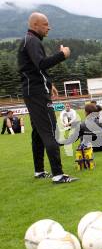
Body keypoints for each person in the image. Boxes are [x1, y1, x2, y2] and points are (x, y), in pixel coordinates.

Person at [18, 12, 77, 183]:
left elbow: (35, 69)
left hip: (33, 92)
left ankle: (39, 171)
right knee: (50, 131)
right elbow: (42, 63)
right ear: (35, 25)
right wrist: (62, 55)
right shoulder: (32, 41)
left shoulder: (29, 40)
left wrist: (49, 84)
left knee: (38, 132)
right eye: (45, 24)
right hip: (37, 95)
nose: (49, 27)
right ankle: (58, 175)